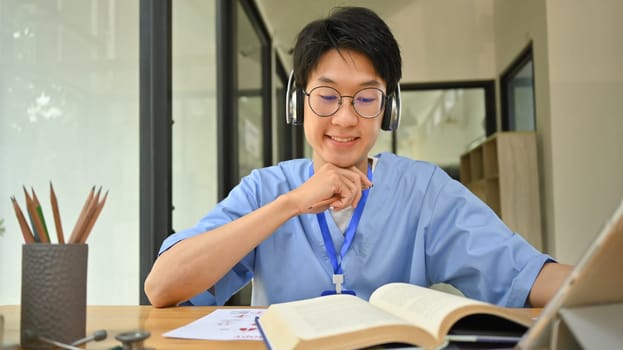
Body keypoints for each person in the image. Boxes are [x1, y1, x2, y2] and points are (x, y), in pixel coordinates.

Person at [144, 6, 572, 308]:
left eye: (367, 98)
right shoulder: (266, 189)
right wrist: (290, 204)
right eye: (328, 96)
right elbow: (162, 287)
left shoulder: (424, 191)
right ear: (299, 101)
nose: (346, 118)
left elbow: (524, 273)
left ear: (389, 106)